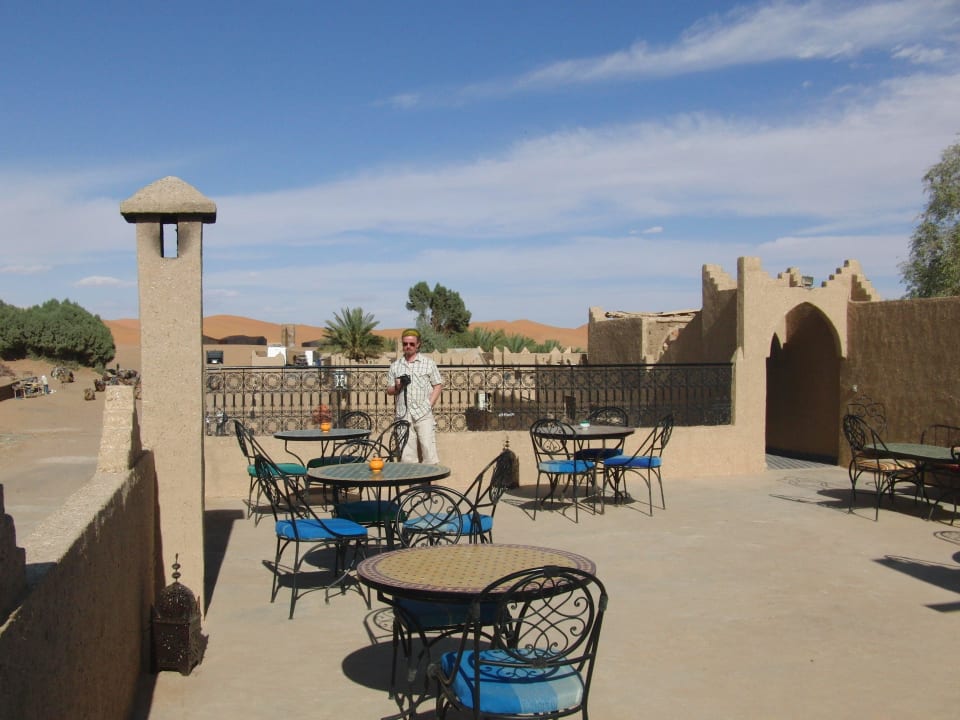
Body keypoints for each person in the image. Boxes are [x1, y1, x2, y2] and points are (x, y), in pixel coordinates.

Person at [386, 329, 443, 464]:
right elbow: (389, 390)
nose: (408, 347)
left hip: (423, 413)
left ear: (418, 345)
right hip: (403, 414)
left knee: (429, 453)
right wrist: (398, 386)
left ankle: (430, 485)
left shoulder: (428, 364)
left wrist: (429, 404)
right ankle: (413, 484)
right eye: (405, 344)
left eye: (412, 344)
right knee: (407, 456)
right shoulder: (395, 366)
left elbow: (438, 385)